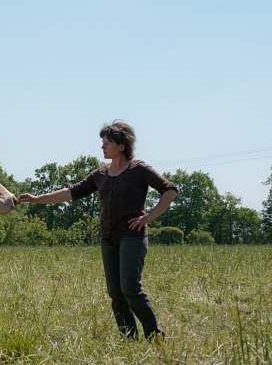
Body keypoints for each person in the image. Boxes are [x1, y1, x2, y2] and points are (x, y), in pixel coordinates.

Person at [18, 120, 178, 342]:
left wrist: (149, 216)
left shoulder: (139, 169)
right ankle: (129, 339)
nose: (102, 146)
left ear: (122, 146)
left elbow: (169, 190)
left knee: (130, 288)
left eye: (107, 142)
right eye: (102, 142)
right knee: (115, 292)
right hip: (108, 238)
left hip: (132, 236)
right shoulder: (100, 174)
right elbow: (71, 193)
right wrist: (37, 199)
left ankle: (155, 336)